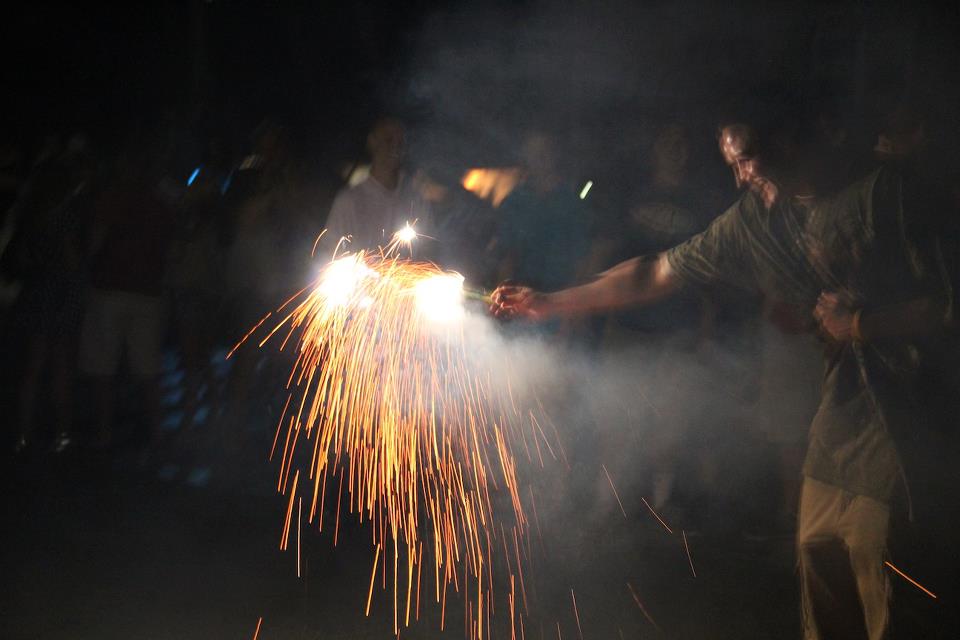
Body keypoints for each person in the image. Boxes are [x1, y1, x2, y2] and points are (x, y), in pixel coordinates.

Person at [491, 122, 954, 640]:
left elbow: (946, 304)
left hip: (911, 427)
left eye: (750, 159)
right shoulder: (753, 222)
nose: (742, 178)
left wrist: (865, 324)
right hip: (840, 427)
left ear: (792, 140)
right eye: (732, 164)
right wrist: (551, 302)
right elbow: (656, 272)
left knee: (885, 584)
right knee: (819, 566)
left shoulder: (882, 193)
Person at [321, 117, 431, 257]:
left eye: (400, 143)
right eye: (389, 140)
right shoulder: (349, 201)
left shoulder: (415, 198)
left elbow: (428, 248)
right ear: (372, 142)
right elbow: (330, 252)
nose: (395, 148)